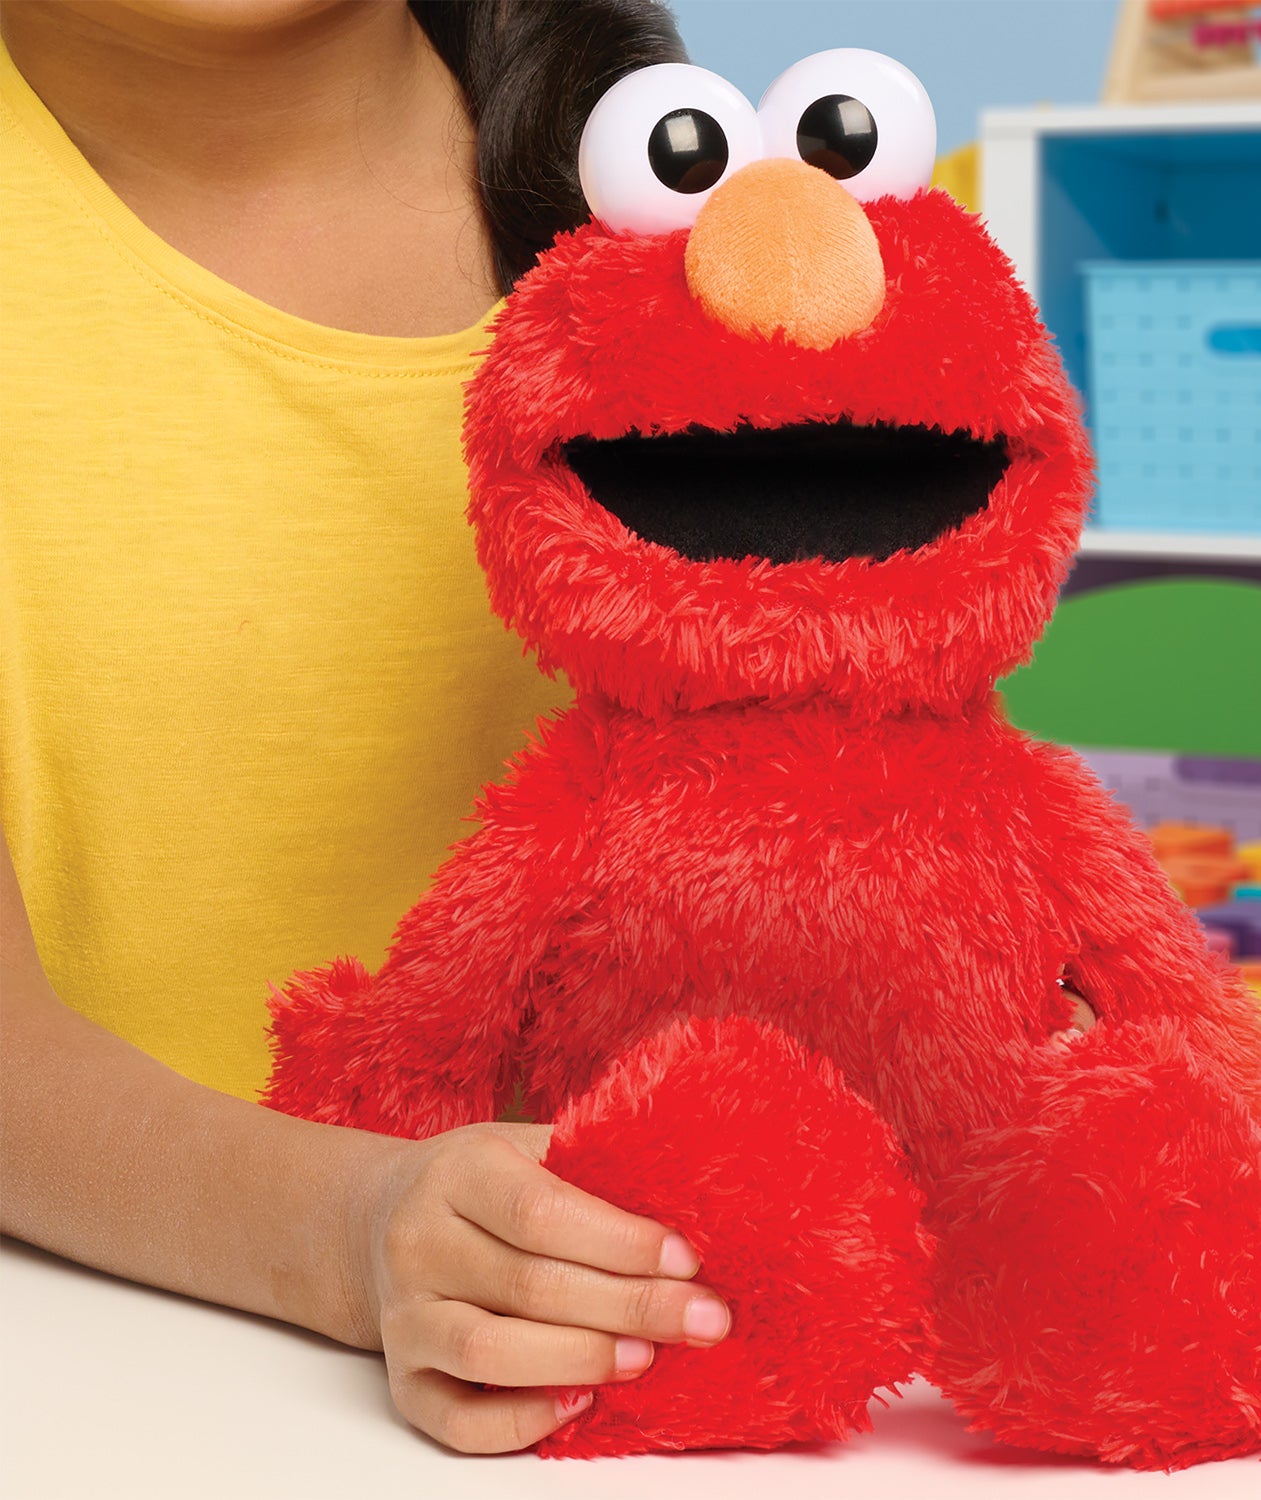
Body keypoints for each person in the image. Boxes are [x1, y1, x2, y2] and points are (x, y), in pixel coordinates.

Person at [0, 0, 736, 1456]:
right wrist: (356, 1230)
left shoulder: (667, 179)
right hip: (115, 1402)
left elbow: (872, 770)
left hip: (687, 1352)